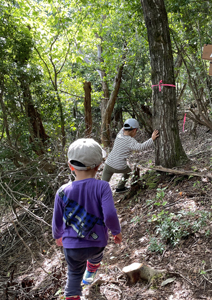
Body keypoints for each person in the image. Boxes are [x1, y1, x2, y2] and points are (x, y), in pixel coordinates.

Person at [52, 138, 122, 300]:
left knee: (73, 277)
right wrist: (116, 231)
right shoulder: (102, 186)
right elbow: (110, 214)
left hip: (72, 247)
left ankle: (73, 295)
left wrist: (58, 235)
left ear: (71, 166)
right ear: (99, 165)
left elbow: (57, 220)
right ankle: (90, 272)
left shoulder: (62, 192)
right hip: (96, 244)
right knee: (96, 257)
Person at [102, 118, 159, 193]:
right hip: (119, 166)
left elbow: (124, 128)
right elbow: (141, 147)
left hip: (108, 163)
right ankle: (120, 187)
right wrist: (152, 139)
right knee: (128, 171)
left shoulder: (120, 134)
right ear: (134, 130)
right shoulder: (130, 141)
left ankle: (97, 196)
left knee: (102, 184)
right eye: (136, 131)